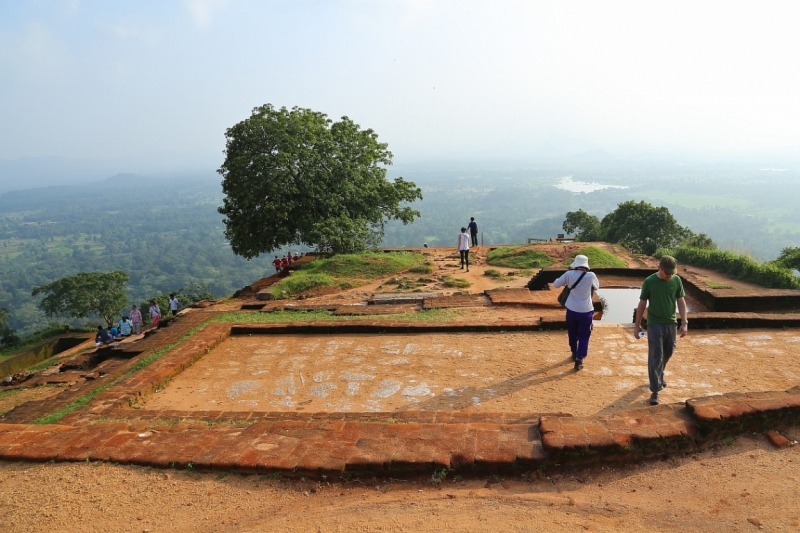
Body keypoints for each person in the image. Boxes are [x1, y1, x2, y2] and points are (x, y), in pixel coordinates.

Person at [634, 255, 688, 406]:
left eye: (672, 273)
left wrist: (684, 322)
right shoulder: (650, 281)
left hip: (671, 322)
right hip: (655, 323)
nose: (669, 276)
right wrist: (637, 326)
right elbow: (642, 304)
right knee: (656, 355)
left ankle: (659, 374)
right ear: (659, 268)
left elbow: (681, 301)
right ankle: (655, 390)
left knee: (669, 351)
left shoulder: (676, 280)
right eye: (667, 273)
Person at [553, 255, 600, 371]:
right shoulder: (591, 276)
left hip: (572, 310)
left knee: (572, 332)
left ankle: (574, 352)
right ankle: (579, 360)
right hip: (586, 311)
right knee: (584, 335)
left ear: (576, 264)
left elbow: (556, 284)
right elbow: (597, 287)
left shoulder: (569, 274)